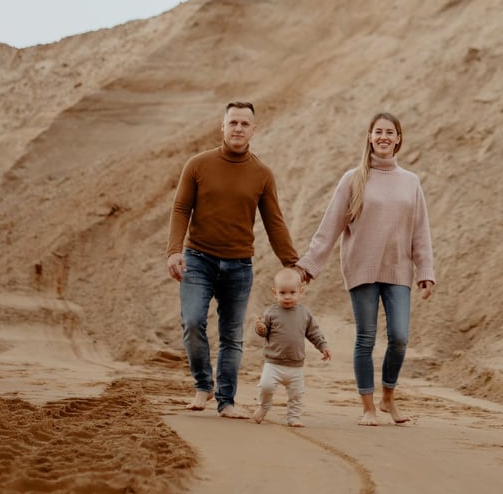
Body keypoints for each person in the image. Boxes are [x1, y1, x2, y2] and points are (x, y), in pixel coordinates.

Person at [295, 111, 435, 426]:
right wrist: (308, 266)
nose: (384, 137)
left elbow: (420, 230)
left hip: (398, 268)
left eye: (390, 132)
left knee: (399, 337)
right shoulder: (353, 178)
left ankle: (388, 397)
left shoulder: (410, 181)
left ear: (398, 139)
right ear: (370, 137)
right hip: (362, 267)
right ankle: (368, 408)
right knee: (366, 338)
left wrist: (425, 271)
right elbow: (330, 226)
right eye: (378, 132)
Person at [166, 100, 300, 419]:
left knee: (231, 336)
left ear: (254, 130)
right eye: (233, 123)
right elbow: (181, 208)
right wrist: (174, 250)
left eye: (244, 124)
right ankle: (203, 385)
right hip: (197, 259)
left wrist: (291, 263)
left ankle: (226, 401)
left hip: (239, 265)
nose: (238, 128)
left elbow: (274, 222)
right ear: (222, 127)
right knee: (193, 322)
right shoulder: (198, 164)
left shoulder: (262, 174)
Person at [252, 267, 332, 427]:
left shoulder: (304, 313)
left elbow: (313, 333)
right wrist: (260, 328)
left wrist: (323, 346)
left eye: (292, 292)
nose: (287, 296)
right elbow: (264, 331)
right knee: (266, 386)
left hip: (296, 365)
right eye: (282, 293)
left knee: (296, 394)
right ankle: (264, 406)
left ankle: (294, 417)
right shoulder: (271, 312)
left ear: (300, 292)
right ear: (275, 293)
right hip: (273, 363)